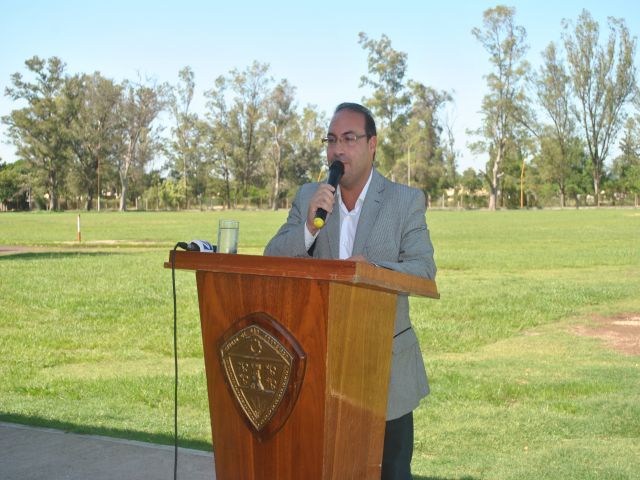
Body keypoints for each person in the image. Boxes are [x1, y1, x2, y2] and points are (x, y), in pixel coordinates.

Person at [264, 102, 436, 480]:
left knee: (388, 471)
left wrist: (370, 271)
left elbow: (423, 272)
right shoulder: (310, 195)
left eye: (349, 139)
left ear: (372, 145)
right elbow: (272, 256)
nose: (337, 150)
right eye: (331, 140)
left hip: (384, 369)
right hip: (319, 366)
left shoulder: (405, 201)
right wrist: (308, 229)